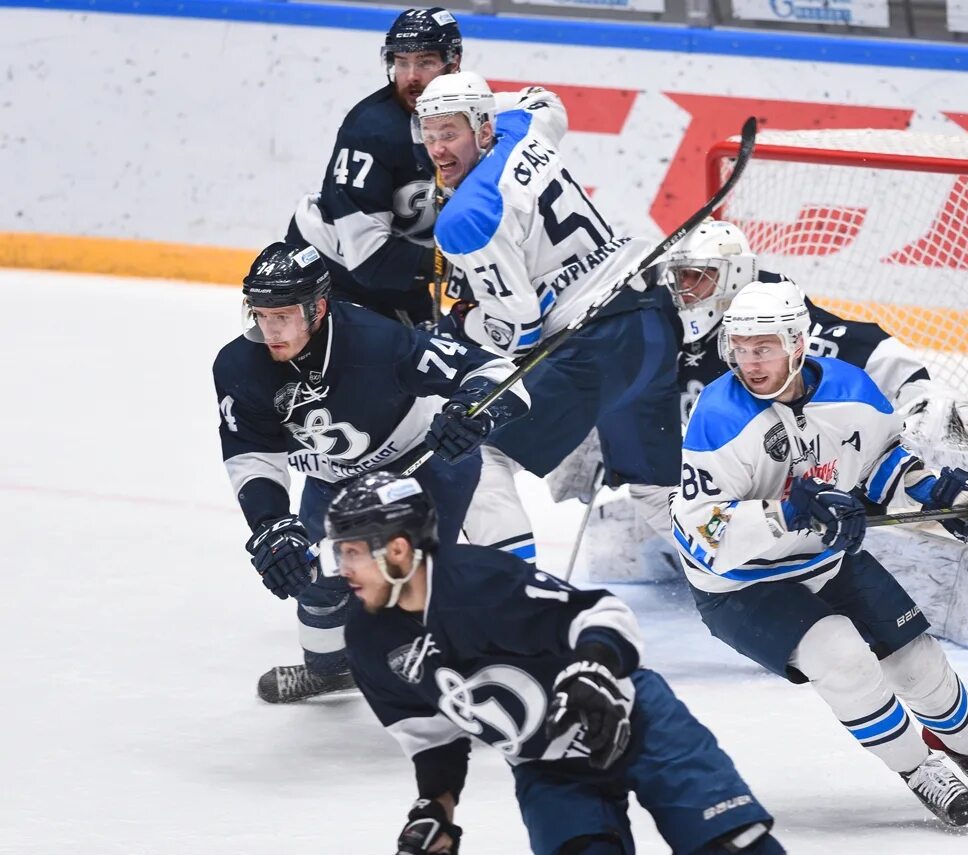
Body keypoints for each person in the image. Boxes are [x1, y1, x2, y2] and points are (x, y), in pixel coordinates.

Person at [670, 279, 968, 829]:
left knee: (918, 662)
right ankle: (920, 770)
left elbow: (882, 465)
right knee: (842, 656)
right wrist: (786, 513)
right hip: (739, 584)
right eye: (742, 349)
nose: (750, 362)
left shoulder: (851, 390)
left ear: (798, 343)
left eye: (765, 348)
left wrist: (946, 495)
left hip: (826, 558)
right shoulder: (719, 417)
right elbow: (705, 529)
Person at [574, 219, 968, 648]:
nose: (688, 290)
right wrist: (594, 433)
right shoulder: (661, 316)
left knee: (831, 512)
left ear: (736, 275)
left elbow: (859, 343)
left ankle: (950, 597)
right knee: (673, 498)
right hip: (715, 475)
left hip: (797, 463)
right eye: (681, 277)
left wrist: (920, 393)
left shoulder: (769, 316)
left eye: (701, 277)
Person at [327, 471, 784, 855]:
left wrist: (594, 668)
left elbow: (601, 613)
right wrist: (435, 809)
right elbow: (430, 737)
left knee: (735, 845)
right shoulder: (370, 638)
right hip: (546, 766)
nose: (341, 568)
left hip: (636, 721)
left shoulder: (479, 583)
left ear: (399, 549)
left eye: (351, 551)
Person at [212, 240, 529, 703]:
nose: (270, 329)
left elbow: (497, 372)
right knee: (310, 578)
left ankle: (475, 666)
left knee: (403, 577)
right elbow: (251, 451)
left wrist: (474, 412)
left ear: (318, 308)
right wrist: (271, 525)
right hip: (335, 478)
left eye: (283, 315)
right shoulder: (239, 364)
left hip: (421, 468)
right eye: (260, 314)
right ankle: (329, 671)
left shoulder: (377, 342)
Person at [414, 71, 681, 566]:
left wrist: (460, 329)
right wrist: (474, 105)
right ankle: (750, 571)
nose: (438, 149)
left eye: (449, 132)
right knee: (656, 489)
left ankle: (516, 598)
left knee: (473, 451)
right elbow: (548, 100)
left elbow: (519, 330)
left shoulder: (467, 215)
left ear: (482, 128)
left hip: (593, 347)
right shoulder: (523, 128)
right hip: (651, 324)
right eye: (428, 134)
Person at [287, 8, 464, 325]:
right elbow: (369, 259)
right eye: (401, 62)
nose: (411, 76)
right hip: (333, 275)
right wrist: (463, 269)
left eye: (425, 62)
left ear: (454, 63)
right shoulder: (371, 132)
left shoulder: (470, 116)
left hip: (398, 269)